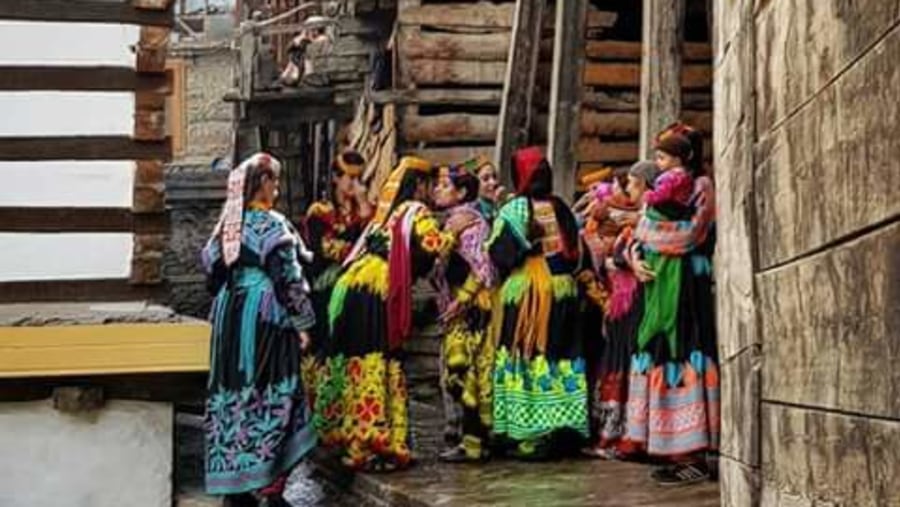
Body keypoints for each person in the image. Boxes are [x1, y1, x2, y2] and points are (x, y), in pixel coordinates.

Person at [314, 156, 455, 471]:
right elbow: (435, 243)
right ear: (419, 185)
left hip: (353, 285)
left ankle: (355, 441)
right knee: (377, 358)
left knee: (354, 360)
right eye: (430, 184)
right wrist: (456, 230)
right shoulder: (416, 210)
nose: (432, 190)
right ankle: (377, 440)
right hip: (376, 289)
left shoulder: (387, 214)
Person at [201, 153, 317, 507]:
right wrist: (304, 323)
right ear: (262, 184)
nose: (277, 188)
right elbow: (288, 277)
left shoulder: (226, 228)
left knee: (232, 394)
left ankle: (236, 487)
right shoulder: (272, 227)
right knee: (275, 391)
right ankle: (269, 485)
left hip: (229, 319)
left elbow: (210, 274)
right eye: (274, 181)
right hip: (264, 317)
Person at [625, 125, 720, 485]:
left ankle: (695, 455)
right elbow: (637, 235)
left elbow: (690, 235)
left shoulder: (702, 188)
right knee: (661, 353)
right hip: (657, 284)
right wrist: (636, 259)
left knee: (686, 352)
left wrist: (648, 236)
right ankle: (672, 450)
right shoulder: (661, 191)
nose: (660, 163)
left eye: (665, 154)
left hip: (687, 290)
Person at [486, 146, 588, 459]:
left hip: (527, 293)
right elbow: (577, 254)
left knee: (527, 354)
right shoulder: (562, 208)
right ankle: (563, 428)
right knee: (561, 356)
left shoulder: (514, 209)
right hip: (562, 291)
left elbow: (499, 253)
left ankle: (528, 433)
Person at [578, 164, 648, 460]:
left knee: (622, 366)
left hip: (629, 304)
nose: (624, 191)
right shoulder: (627, 225)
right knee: (617, 366)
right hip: (619, 305)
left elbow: (628, 259)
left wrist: (614, 262)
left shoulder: (638, 226)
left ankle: (621, 436)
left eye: (628, 185)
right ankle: (616, 434)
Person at [430, 164, 498, 462]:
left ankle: (475, 444)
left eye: (445, 186)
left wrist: (462, 300)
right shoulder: (452, 222)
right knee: (461, 374)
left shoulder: (468, 223)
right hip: (456, 309)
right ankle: (473, 441)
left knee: (464, 372)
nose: (437, 190)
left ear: (461, 193)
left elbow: (482, 268)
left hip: (470, 311)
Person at [301, 151, 372, 411]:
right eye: (349, 178)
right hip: (324, 289)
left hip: (354, 290)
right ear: (335, 178)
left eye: (359, 178)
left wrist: (364, 213)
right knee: (323, 350)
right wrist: (361, 225)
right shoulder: (319, 211)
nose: (355, 184)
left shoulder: (363, 209)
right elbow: (328, 249)